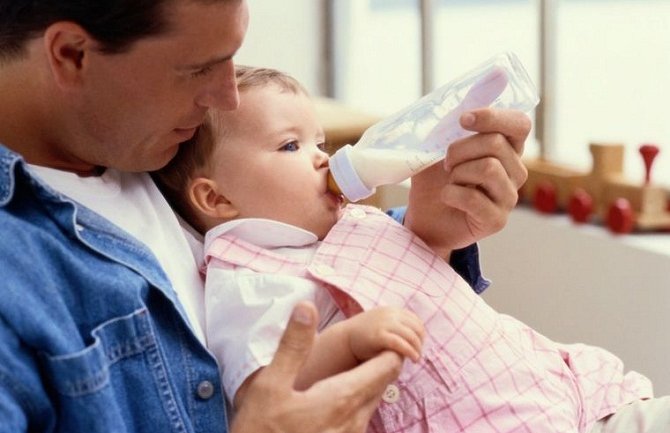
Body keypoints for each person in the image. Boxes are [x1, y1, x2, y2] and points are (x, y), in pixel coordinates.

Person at [0, 0, 536, 432]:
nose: (227, 97)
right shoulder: (17, 270)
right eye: (198, 69)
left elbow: (304, 260)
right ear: (71, 54)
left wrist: (432, 231)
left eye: (231, 59)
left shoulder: (146, 143)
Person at [155, 65, 669, 433]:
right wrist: (352, 340)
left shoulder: (353, 222)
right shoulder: (249, 278)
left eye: (321, 145)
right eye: (291, 146)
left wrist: (438, 224)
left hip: (571, 396)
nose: (319, 160)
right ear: (215, 198)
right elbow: (269, 388)